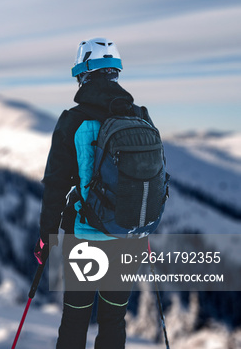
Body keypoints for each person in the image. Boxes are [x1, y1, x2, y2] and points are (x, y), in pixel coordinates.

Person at [33, 38, 151, 349]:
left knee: (75, 319)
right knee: (114, 320)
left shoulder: (73, 121)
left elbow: (56, 184)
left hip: (85, 237)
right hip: (129, 235)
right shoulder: (139, 115)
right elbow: (147, 181)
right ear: (114, 73)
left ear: (84, 74)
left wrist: (46, 237)